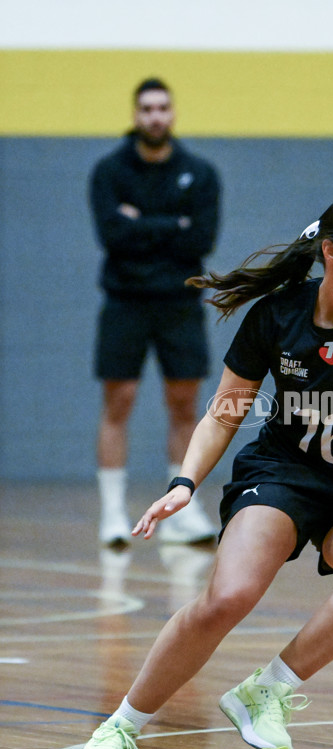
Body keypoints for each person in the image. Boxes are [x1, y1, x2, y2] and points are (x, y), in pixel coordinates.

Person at [81, 194, 333, 749]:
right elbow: (225, 412)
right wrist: (184, 483)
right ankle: (121, 726)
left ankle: (267, 690)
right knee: (227, 597)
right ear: (331, 253)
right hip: (282, 474)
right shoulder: (277, 315)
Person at [90, 77, 221, 561]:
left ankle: (182, 512)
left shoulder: (199, 173)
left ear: (173, 113)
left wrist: (139, 222)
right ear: (135, 113)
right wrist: (172, 225)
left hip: (180, 303)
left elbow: (200, 239)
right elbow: (111, 236)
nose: (155, 116)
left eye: (163, 107)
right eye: (146, 108)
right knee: (118, 400)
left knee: (185, 403)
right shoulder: (108, 171)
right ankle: (112, 515)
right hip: (124, 301)